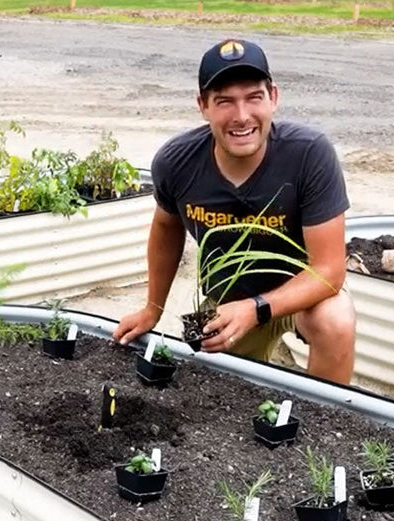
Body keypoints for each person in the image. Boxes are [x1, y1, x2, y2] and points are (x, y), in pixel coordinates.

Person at [113, 38, 355, 384]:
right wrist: (153, 309)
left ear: (273, 97)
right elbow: (167, 229)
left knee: (335, 319)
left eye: (253, 97)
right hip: (226, 301)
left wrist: (256, 309)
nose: (241, 116)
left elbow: (329, 271)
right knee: (218, 402)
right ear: (203, 106)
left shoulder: (308, 155)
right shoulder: (176, 162)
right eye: (224, 101)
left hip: (299, 296)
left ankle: (326, 421)